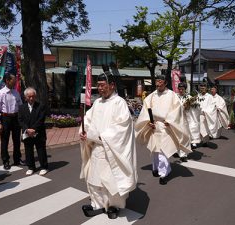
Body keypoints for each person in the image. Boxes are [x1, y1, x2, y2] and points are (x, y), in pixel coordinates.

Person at [79, 72, 137, 219]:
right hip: (96, 148)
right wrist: (84, 131)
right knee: (95, 178)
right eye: (98, 85)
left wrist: (101, 137)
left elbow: (122, 127)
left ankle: (114, 206)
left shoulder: (119, 103)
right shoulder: (97, 103)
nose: (100, 88)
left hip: (111, 149)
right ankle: (97, 204)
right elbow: (88, 119)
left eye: (102, 85)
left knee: (111, 180)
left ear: (112, 85)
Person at [135, 75, 191, 185]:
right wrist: (148, 122)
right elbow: (145, 110)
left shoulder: (172, 95)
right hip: (154, 126)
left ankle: (164, 173)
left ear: (165, 83)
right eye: (157, 81)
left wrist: (170, 120)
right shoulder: (151, 96)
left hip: (166, 126)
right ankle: (156, 168)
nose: (158, 84)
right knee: (155, 150)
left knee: (162, 151)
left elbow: (177, 109)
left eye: (160, 81)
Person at [0, 73, 24, 170]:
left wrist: (22, 117)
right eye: (13, 80)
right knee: (4, 141)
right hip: (5, 118)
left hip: (15, 118)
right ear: (7, 81)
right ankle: (5, 161)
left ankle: (17, 159)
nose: (15, 81)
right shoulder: (0, 93)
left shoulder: (16, 92)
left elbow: (20, 105)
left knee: (16, 140)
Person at [18, 87, 48, 176]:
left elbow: (41, 119)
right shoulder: (21, 107)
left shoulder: (41, 106)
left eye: (33, 96)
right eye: (29, 96)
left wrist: (33, 129)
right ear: (25, 97)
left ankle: (44, 167)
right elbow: (20, 120)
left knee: (41, 150)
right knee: (28, 150)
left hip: (38, 132)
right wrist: (27, 129)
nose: (31, 98)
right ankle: (31, 167)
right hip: (27, 133)